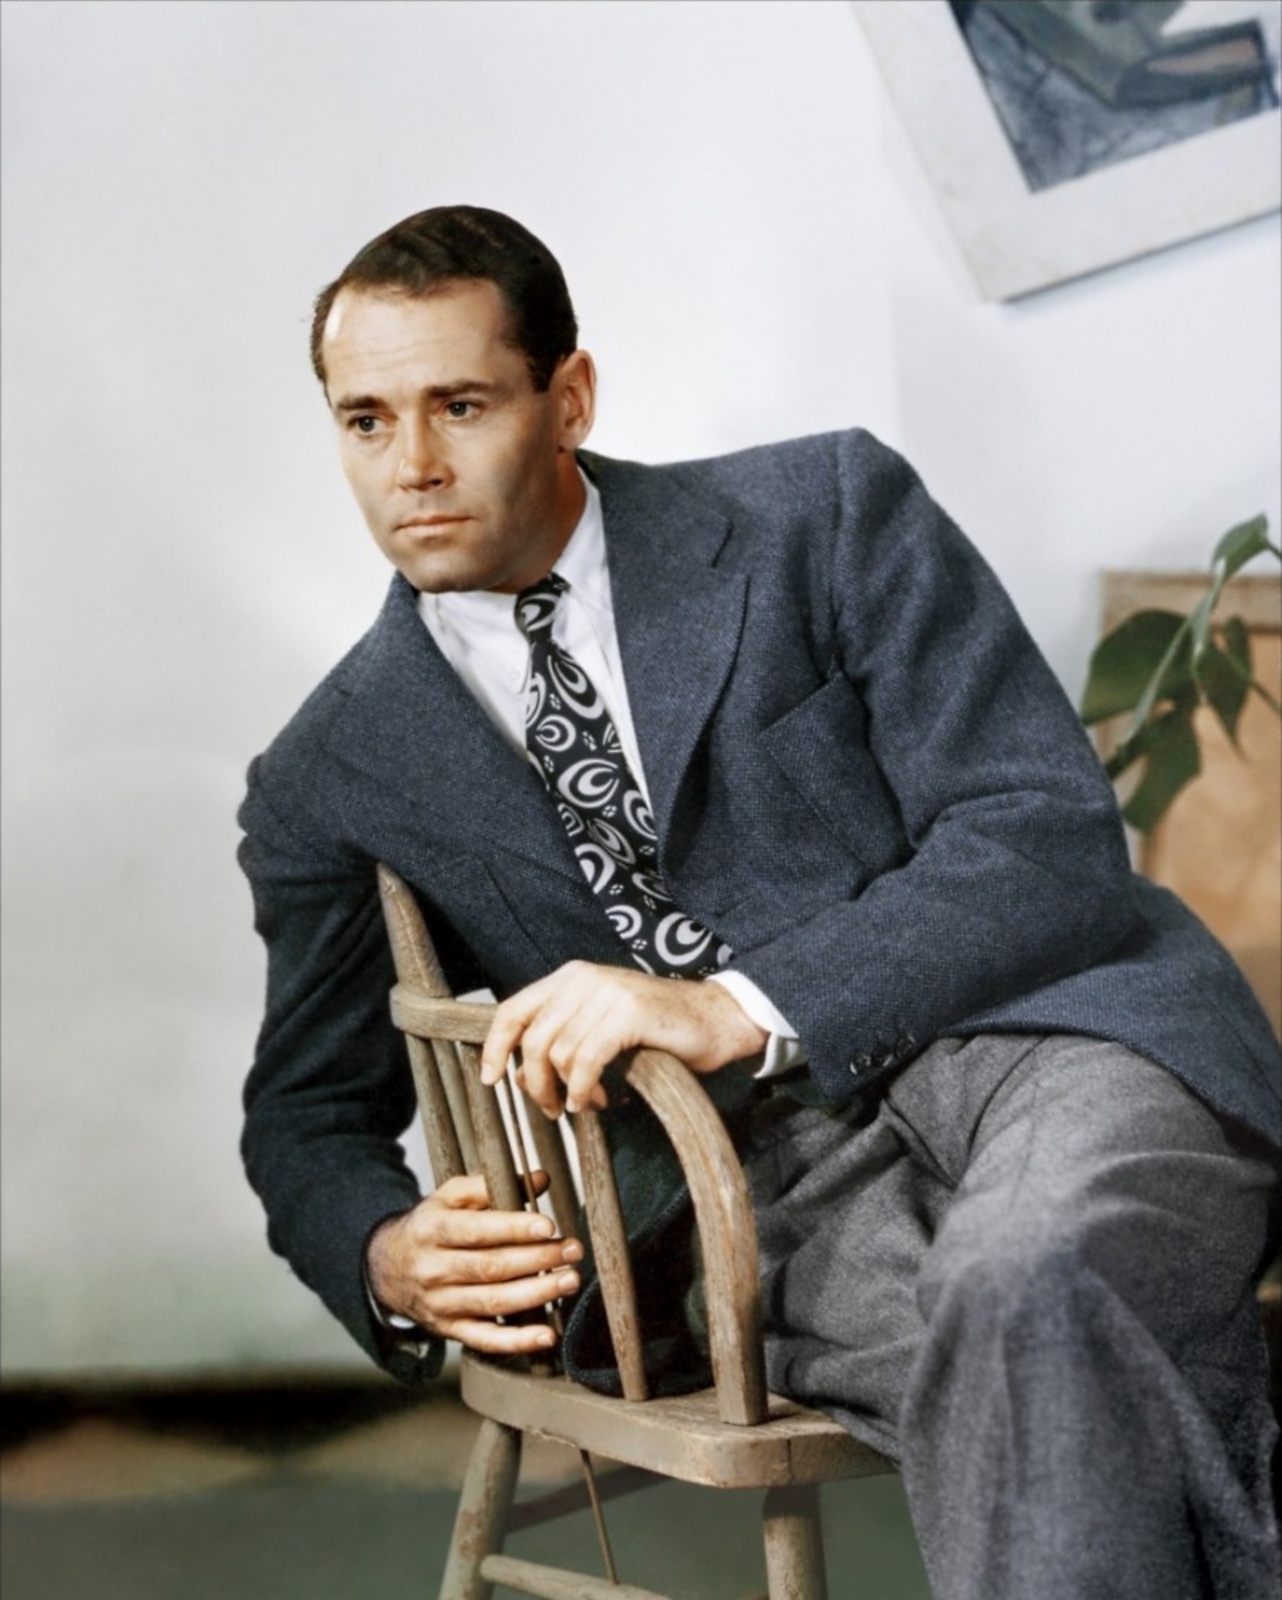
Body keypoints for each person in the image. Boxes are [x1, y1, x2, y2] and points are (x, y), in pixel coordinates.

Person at [239, 205, 1280, 1598]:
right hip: (760, 1188)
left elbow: (1039, 832)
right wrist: (386, 1253)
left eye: (460, 405)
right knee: (1019, 1350)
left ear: (568, 399)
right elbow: (306, 1111)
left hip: (1051, 1034)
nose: (410, 466)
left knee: (1032, 1284)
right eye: (365, 421)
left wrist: (735, 1004)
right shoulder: (331, 769)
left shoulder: (823, 515)